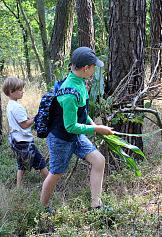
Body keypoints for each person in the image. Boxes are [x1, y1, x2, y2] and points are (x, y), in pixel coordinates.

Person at [40, 47, 114, 210]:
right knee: (56, 173)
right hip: (61, 138)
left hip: (75, 135)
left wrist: (92, 124)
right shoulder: (70, 93)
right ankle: (42, 208)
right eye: (94, 67)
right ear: (86, 68)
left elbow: (82, 113)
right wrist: (97, 130)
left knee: (99, 161)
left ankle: (96, 205)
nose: (95, 70)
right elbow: (70, 126)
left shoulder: (80, 82)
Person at [2, 76, 49, 188]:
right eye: (20, 90)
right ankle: (52, 186)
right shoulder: (17, 107)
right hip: (24, 142)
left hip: (16, 140)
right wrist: (38, 117)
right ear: (11, 92)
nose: (22, 92)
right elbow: (24, 124)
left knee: (21, 165)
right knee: (41, 163)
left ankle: (19, 187)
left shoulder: (10, 105)